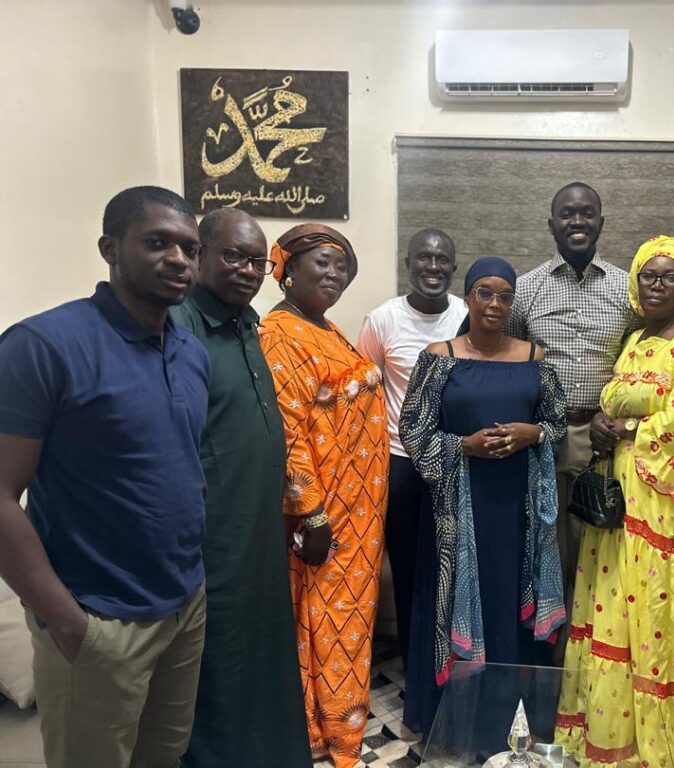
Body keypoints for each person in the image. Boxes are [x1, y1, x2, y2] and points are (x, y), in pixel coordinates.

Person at [0, 186, 208, 768]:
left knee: (163, 757)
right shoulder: (44, 346)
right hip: (98, 618)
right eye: (158, 243)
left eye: (190, 249)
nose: (178, 260)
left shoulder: (188, 350)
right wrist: (65, 620)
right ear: (110, 248)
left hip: (183, 607)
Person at [555, 235, 674, 767]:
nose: (657, 286)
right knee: (612, 601)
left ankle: (662, 742)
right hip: (619, 492)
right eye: (648, 276)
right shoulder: (634, 338)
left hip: (663, 495)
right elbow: (614, 401)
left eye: (670, 277)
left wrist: (626, 428)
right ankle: (611, 731)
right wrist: (602, 423)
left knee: (657, 602)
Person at [399, 257, 568, 737]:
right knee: (460, 598)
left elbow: (557, 421)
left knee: (509, 602)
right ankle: (455, 724)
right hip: (457, 512)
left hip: (519, 512)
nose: (495, 304)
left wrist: (533, 433)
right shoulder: (440, 356)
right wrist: (463, 446)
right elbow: (413, 428)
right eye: (485, 293)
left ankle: (509, 721)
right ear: (468, 296)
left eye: (505, 296)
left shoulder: (534, 357)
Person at [172, 208, 311, 768]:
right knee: (220, 668)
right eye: (233, 256)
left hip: (259, 531)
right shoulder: (179, 326)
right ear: (200, 253)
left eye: (257, 261)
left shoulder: (247, 323)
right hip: (214, 538)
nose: (248, 270)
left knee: (264, 657)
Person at [259, 224, 387, 768]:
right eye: (322, 263)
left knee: (348, 617)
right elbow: (288, 434)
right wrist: (309, 514)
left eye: (342, 267)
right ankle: (325, 731)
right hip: (326, 513)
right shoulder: (279, 334)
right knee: (325, 617)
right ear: (287, 269)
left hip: (361, 511)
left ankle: (340, 723)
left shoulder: (327, 329)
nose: (335, 274)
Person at [508, 182, 640, 618]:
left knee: (601, 552)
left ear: (601, 222)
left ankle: (592, 648)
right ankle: (551, 648)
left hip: (605, 437)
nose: (577, 221)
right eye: (567, 214)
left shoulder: (627, 289)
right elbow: (511, 363)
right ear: (552, 225)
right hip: (544, 437)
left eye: (586, 213)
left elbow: (640, 360)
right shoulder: (526, 289)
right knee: (547, 550)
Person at [356, 228, 466, 671]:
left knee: (453, 563)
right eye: (424, 258)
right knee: (405, 566)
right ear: (408, 264)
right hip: (400, 461)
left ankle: (451, 660)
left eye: (441, 260)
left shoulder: (466, 315)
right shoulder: (383, 320)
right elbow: (363, 392)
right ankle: (414, 662)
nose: (432, 267)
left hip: (457, 459)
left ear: (453, 267)